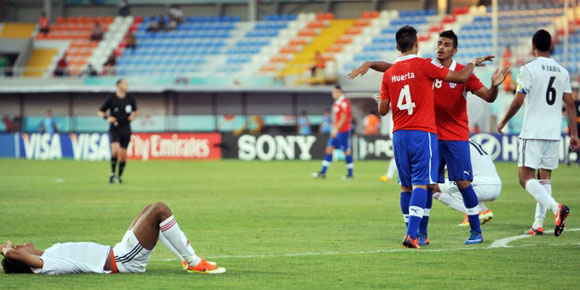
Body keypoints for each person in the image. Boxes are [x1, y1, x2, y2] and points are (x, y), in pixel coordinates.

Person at [349, 30, 508, 246]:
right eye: (439, 43)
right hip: (430, 137)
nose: (441, 47)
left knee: (462, 182)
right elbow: (394, 68)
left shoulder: (462, 72)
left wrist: (495, 85)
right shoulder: (427, 66)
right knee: (429, 186)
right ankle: (421, 233)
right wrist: (370, 63)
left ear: (455, 50)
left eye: (446, 44)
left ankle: (475, 231)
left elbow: (489, 97)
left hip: (455, 137)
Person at [497, 29, 579, 237]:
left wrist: (504, 119)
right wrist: (574, 134)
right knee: (545, 178)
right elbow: (570, 104)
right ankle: (538, 224)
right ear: (550, 46)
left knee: (524, 178)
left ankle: (555, 208)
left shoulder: (528, 69)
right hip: (553, 132)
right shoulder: (562, 71)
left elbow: (518, 100)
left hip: (532, 130)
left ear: (533, 47)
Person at [1, 202, 225, 275]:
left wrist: (13, 251)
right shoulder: (45, 265)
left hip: (119, 251)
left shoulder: (48, 253)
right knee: (159, 210)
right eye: (19, 248)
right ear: (21, 259)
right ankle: (195, 262)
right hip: (123, 260)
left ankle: (185, 260)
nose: (20, 244)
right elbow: (11, 253)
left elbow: (16, 253)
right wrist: (8, 249)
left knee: (150, 209)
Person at [433, 140, 501, 226]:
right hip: (495, 185)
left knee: (432, 187)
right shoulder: (470, 141)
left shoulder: (453, 144)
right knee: (461, 185)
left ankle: (473, 213)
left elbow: (441, 171)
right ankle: (484, 211)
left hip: (481, 185)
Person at [98, 78, 137, 184]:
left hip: (126, 129)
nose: (127, 86)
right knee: (115, 150)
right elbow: (100, 112)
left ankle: (119, 176)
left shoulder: (130, 98)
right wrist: (107, 118)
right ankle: (112, 174)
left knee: (123, 155)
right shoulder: (111, 98)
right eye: (125, 83)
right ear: (119, 85)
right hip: (114, 128)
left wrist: (134, 116)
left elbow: (135, 111)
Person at [312, 85, 354, 180]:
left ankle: (350, 174)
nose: (333, 94)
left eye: (334, 92)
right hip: (337, 131)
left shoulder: (344, 103)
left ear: (339, 92)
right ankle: (323, 172)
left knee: (346, 151)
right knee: (329, 149)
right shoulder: (337, 103)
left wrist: (336, 129)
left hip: (342, 131)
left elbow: (343, 118)